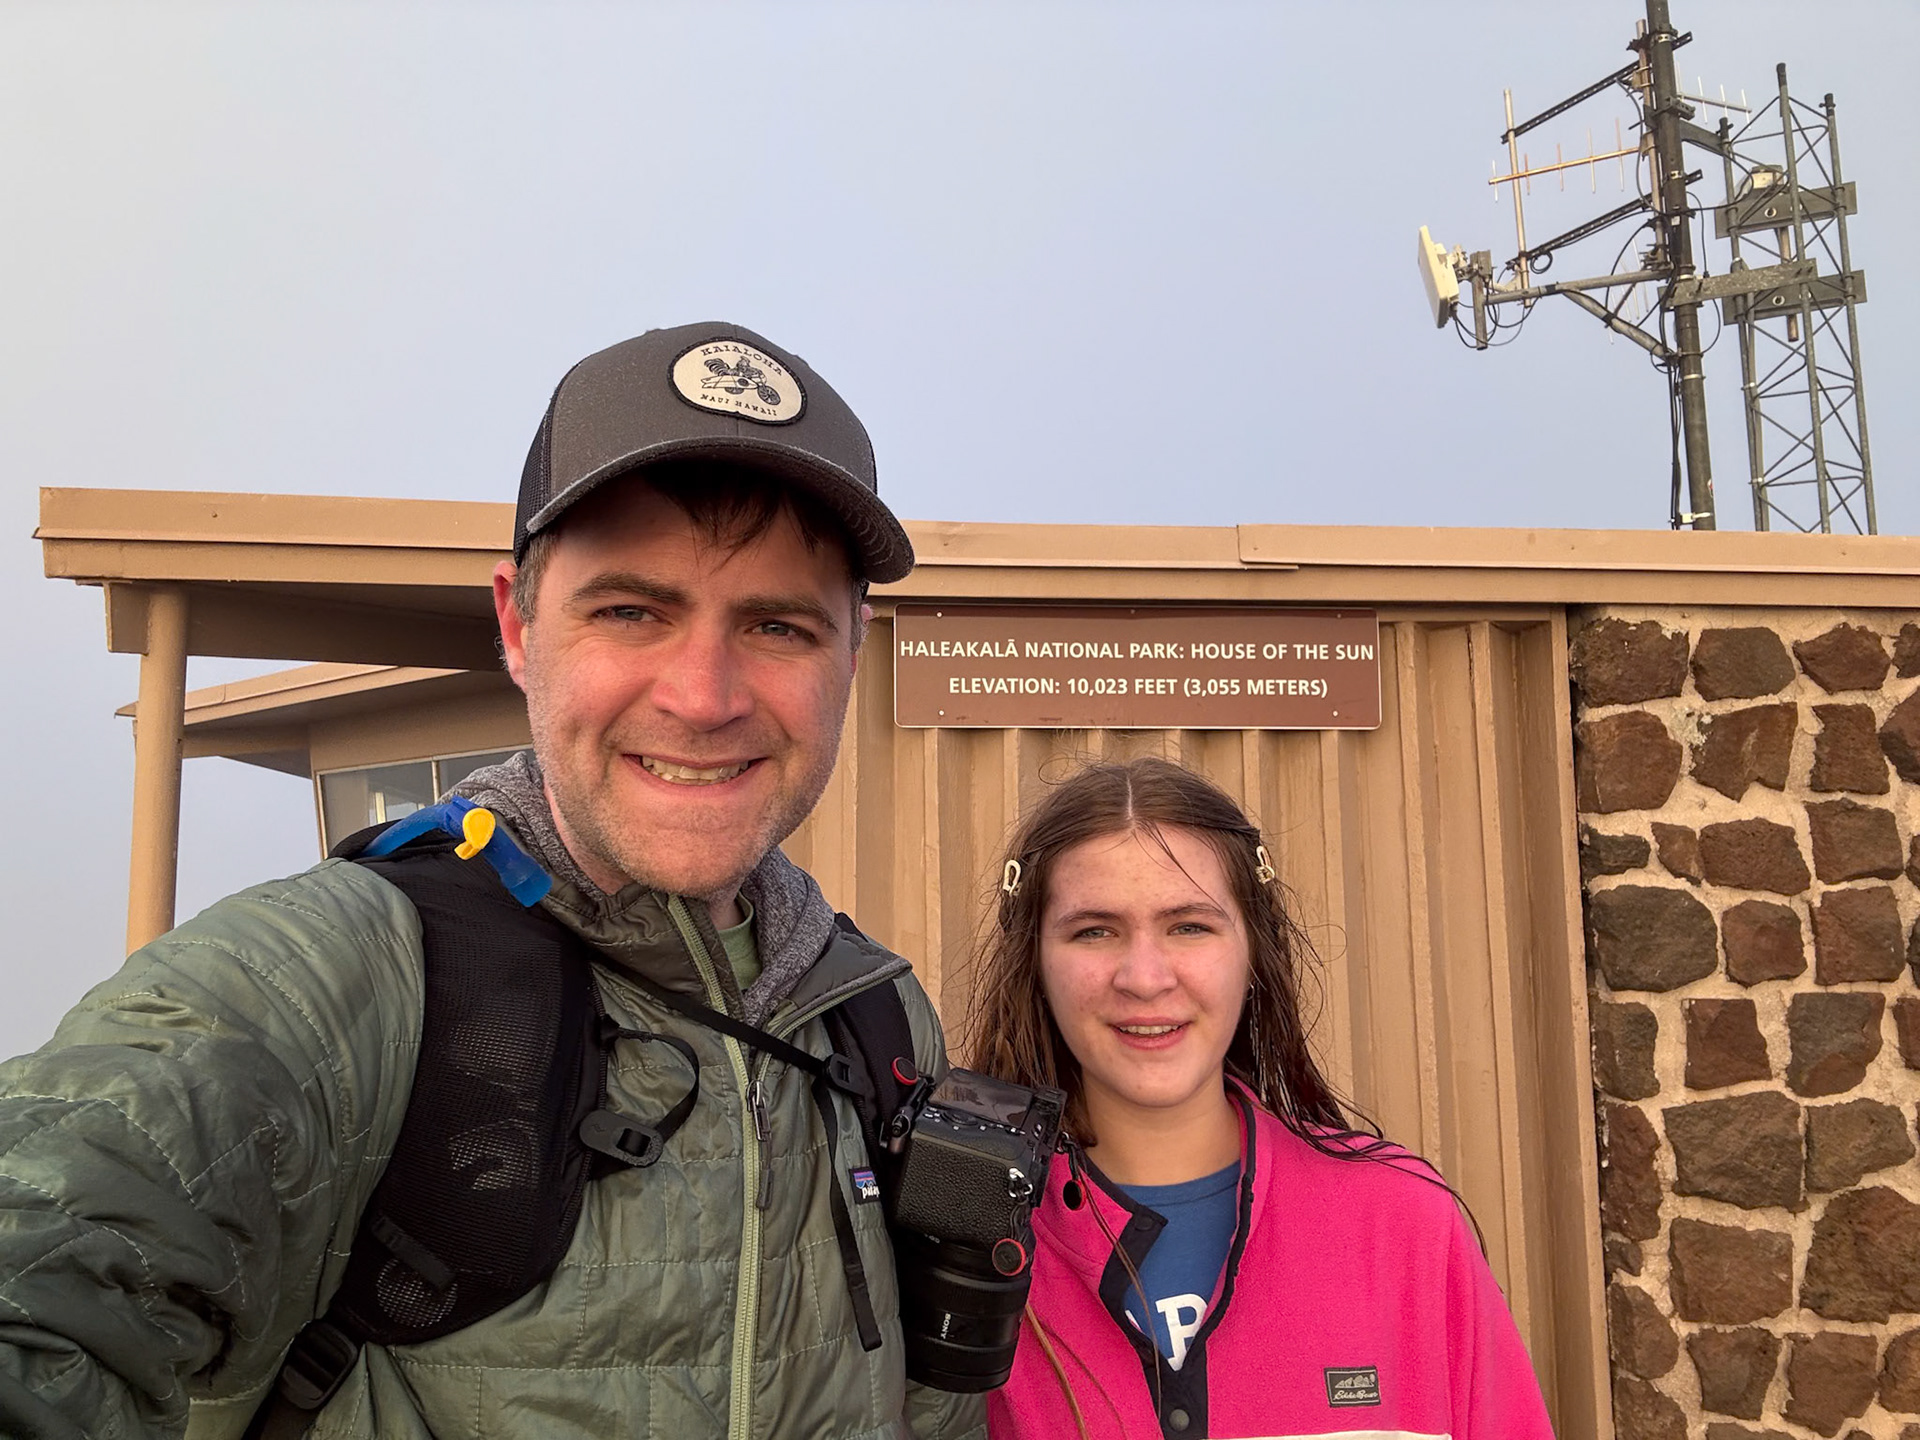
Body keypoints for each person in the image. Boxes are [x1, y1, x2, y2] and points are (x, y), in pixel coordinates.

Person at [0, 324, 985, 1440]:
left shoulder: (874, 1015)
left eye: (777, 624)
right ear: (518, 626)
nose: (705, 696)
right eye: (631, 611)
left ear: (852, 649)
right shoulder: (351, 976)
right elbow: (57, 1239)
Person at [968, 757, 1554, 1440]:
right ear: (1035, 963)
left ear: (1253, 951)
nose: (1145, 977)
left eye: (1190, 925)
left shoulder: (1406, 1225)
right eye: (1093, 930)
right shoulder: (966, 1243)